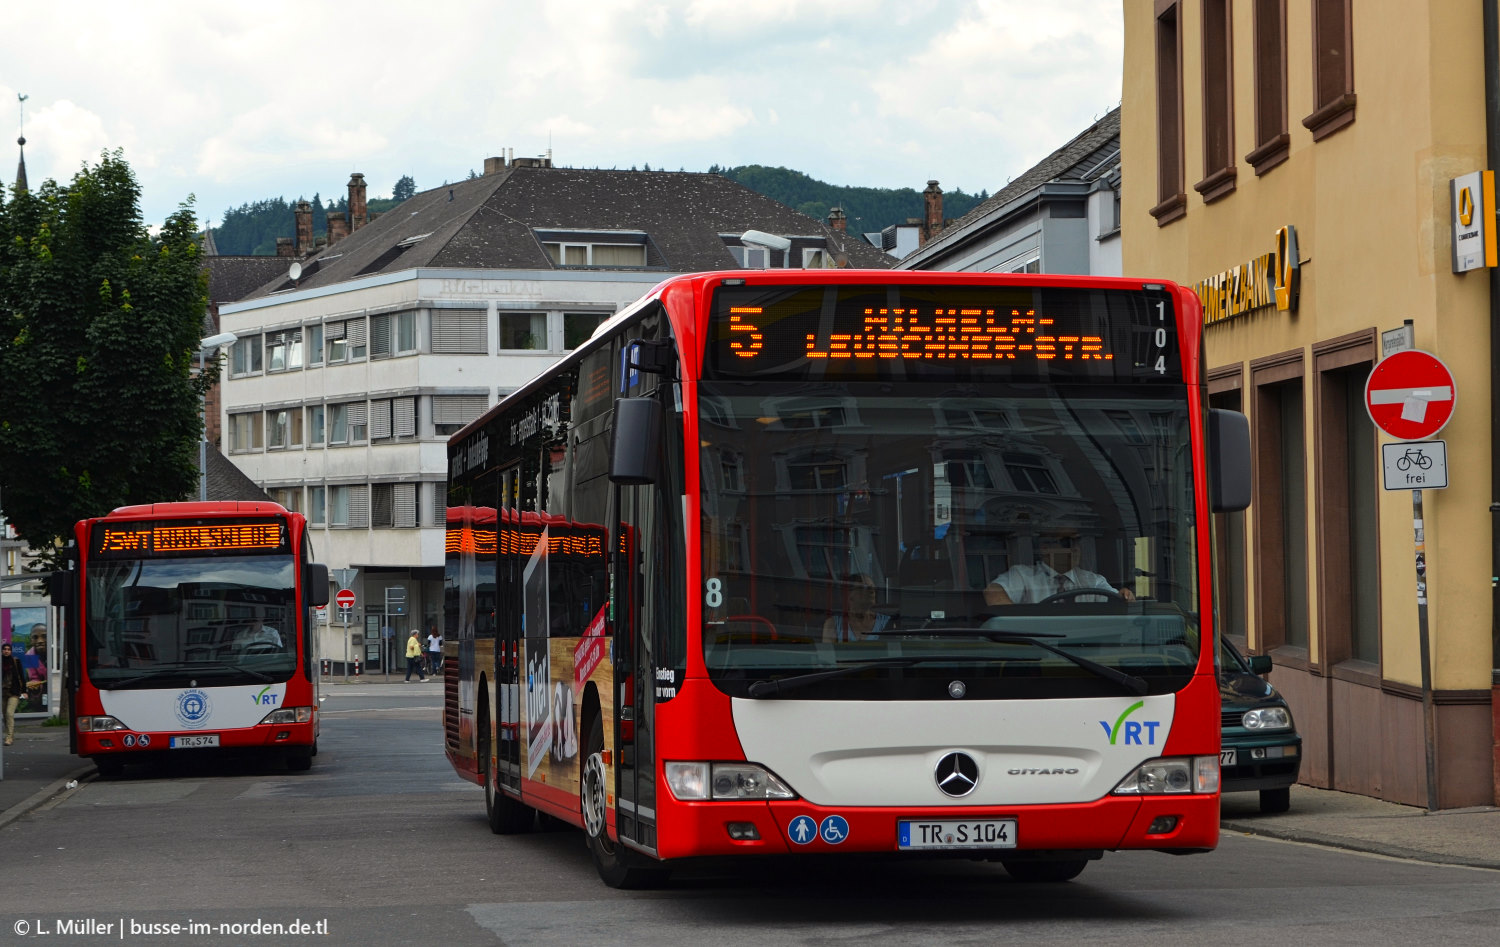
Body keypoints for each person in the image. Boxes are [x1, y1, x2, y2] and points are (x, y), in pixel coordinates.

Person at [983, 530, 1135, 606]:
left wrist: (1125, 597)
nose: (1075, 549)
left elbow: (1118, 602)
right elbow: (993, 593)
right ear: (1045, 548)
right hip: (1036, 650)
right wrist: (1021, 627)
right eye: (1066, 543)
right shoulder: (1023, 575)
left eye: (1076, 543)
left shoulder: (1093, 580)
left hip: (1086, 654)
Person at [822, 573, 892, 642]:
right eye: (863, 587)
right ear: (849, 595)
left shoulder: (887, 623)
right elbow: (827, 652)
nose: (871, 591)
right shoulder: (833, 624)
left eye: (872, 587)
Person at [2, 642, 24, 746]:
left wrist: (24, 691)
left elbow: (22, 676)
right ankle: (9, 734)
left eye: (8, 649)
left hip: (14, 692)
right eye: (4, 649)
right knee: (5, 716)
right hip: (2, 692)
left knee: (9, 713)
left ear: (11, 651)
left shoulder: (15, 661)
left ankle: (9, 737)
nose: (6, 651)